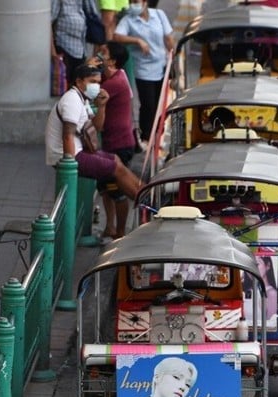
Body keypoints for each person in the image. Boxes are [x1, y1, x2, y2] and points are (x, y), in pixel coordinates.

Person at [45, 64, 142, 210]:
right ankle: (145, 202)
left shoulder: (83, 99)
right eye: (92, 82)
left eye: (98, 82)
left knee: (116, 160)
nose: (96, 86)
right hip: (66, 156)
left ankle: (146, 193)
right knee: (115, 168)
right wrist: (70, 167)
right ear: (78, 82)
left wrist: (102, 106)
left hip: (78, 150)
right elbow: (67, 136)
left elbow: (96, 127)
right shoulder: (71, 100)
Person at [113, 0, 174, 142]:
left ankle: (159, 132)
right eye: (131, 1)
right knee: (148, 104)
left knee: (160, 104)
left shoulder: (159, 15)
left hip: (162, 66)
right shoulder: (129, 20)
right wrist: (137, 41)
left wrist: (173, 60)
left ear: (145, 2)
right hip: (143, 69)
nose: (134, 4)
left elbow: (169, 39)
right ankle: (146, 136)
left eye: (136, 1)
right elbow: (117, 36)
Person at [97, 42, 136, 241]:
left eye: (103, 53)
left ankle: (120, 233)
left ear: (112, 61)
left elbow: (90, 92)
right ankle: (110, 227)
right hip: (111, 143)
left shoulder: (114, 83)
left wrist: (89, 64)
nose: (98, 54)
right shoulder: (115, 76)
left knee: (117, 191)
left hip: (119, 145)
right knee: (106, 189)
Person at [51, 0, 102, 85]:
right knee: (66, 83)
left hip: (81, 48)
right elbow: (49, 22)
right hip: (64, 46)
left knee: (80, 83)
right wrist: (53, 53)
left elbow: (93, 17)